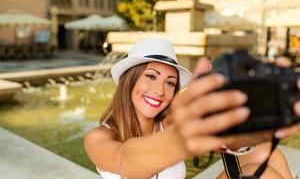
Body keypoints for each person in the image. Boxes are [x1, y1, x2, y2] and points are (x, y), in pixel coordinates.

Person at [84, 37, 300, 179]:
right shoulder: (99, 138)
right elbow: (126, 162)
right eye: (150, 76)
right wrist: (181, 140)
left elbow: (202, 107)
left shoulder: (166, 120)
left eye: (170, 83)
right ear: (128, 81)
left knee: (265, 153)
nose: (160, 91)